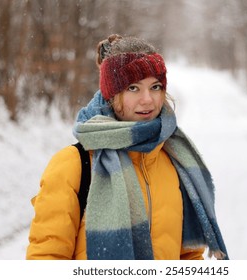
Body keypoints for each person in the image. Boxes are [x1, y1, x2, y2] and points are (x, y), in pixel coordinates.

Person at [26, 34, 228, 260]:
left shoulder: (175, 161)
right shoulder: (73, 165)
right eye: (133, 88)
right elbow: (46, 258)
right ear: (111, 95)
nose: (147, 100)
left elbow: (189, 256)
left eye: (155, 86)